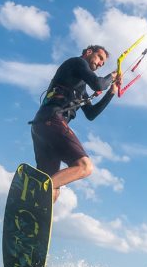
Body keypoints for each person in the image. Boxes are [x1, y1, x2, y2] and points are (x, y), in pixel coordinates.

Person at [31, 44, 119, 203]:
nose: (100, 64)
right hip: (51, 120)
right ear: (89, 52)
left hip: (42, 126)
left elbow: (91, 114)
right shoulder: (76, 63)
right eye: (100, 58)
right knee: (84, 167)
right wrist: (111, 76)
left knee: (54, 187)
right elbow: (98, 84)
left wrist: (111, 93)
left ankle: (33, 209)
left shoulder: (81, 88)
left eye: (103, 63)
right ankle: (36, 192)